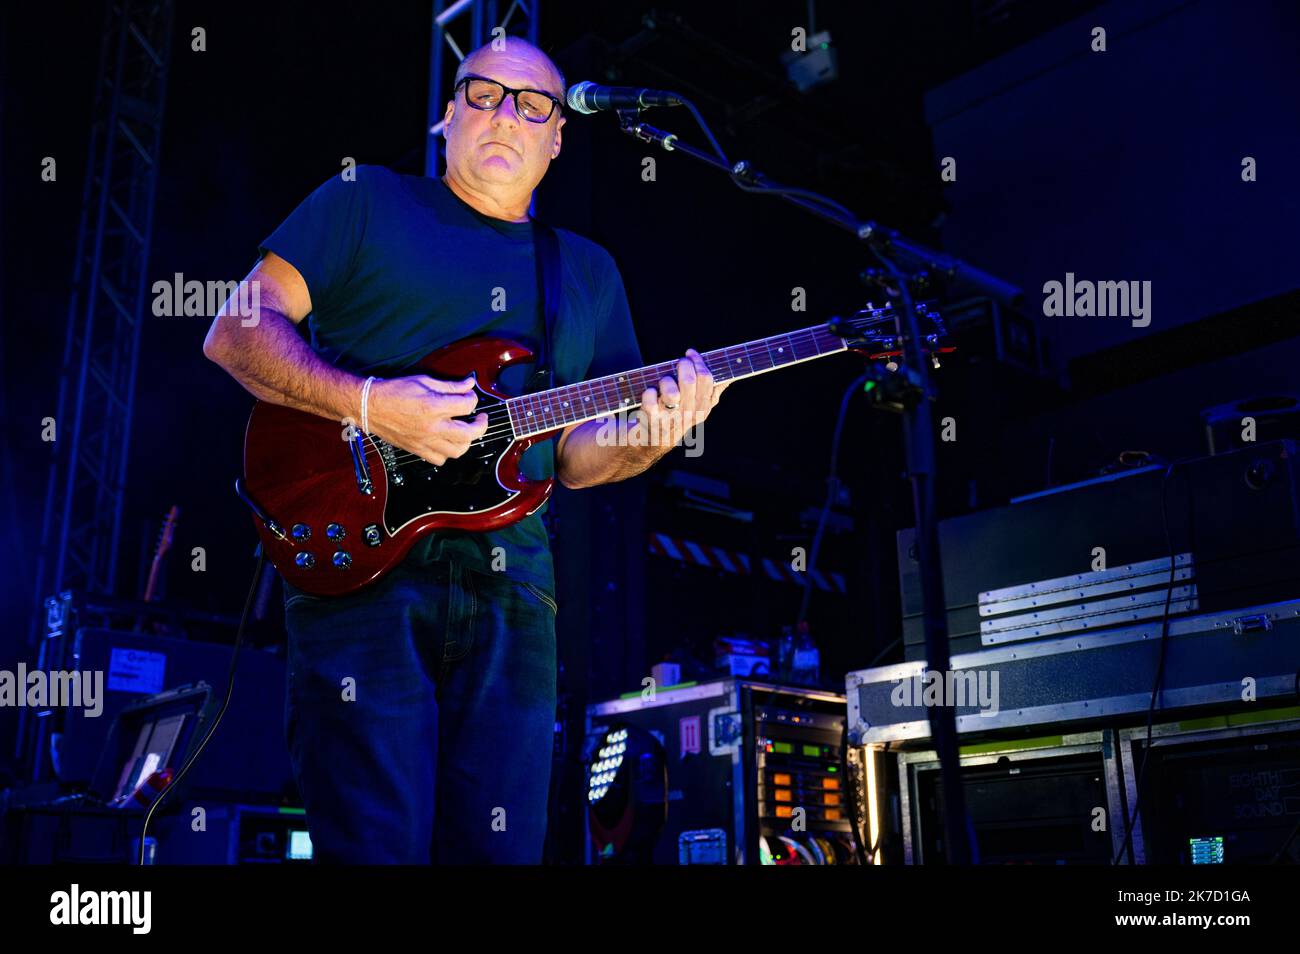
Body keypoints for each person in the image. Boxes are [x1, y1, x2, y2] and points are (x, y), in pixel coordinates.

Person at [202, 36, 728, 863]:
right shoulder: (365, 202)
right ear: (448, 114)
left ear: (557, 138)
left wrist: (649, 436)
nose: (504, 116)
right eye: (482, 94)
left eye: (532, 104)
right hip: (357, 573)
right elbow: (234, 331)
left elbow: (581, 458)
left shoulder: (585, 273)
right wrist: (374, 404)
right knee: (375, 844)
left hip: (515, 593)